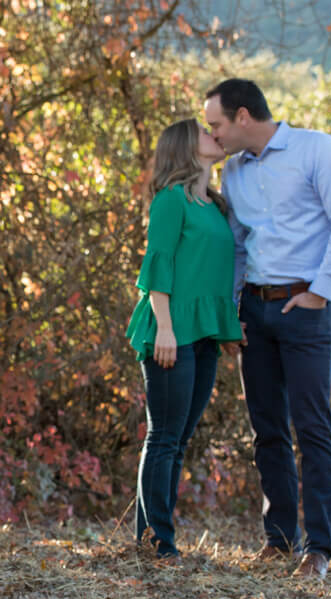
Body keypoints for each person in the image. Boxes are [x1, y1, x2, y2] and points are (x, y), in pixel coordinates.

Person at [204, 78, 331, 579]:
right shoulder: (234, 171)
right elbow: (236, 243)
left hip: (308, 308)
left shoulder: (319, 150)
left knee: (312, 427)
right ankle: (278, 540)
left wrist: (320, 290)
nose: (214, 135)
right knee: (266, 428)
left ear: (244, 116)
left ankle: (319, 548)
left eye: (217, 124)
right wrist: (232, 308)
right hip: (255, 308)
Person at [126, 119, 243, 562]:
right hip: (169, 333)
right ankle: (158, 543)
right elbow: (159, 266)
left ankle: (153, 537)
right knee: (165, 437)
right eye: (204, 130)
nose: (215, 133)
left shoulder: (214, 206)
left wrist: (229, 331)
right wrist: (167, 328)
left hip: (204, 336)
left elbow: (215, 275)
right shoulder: (171, 201)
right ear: (185, 146)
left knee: (179, 439)